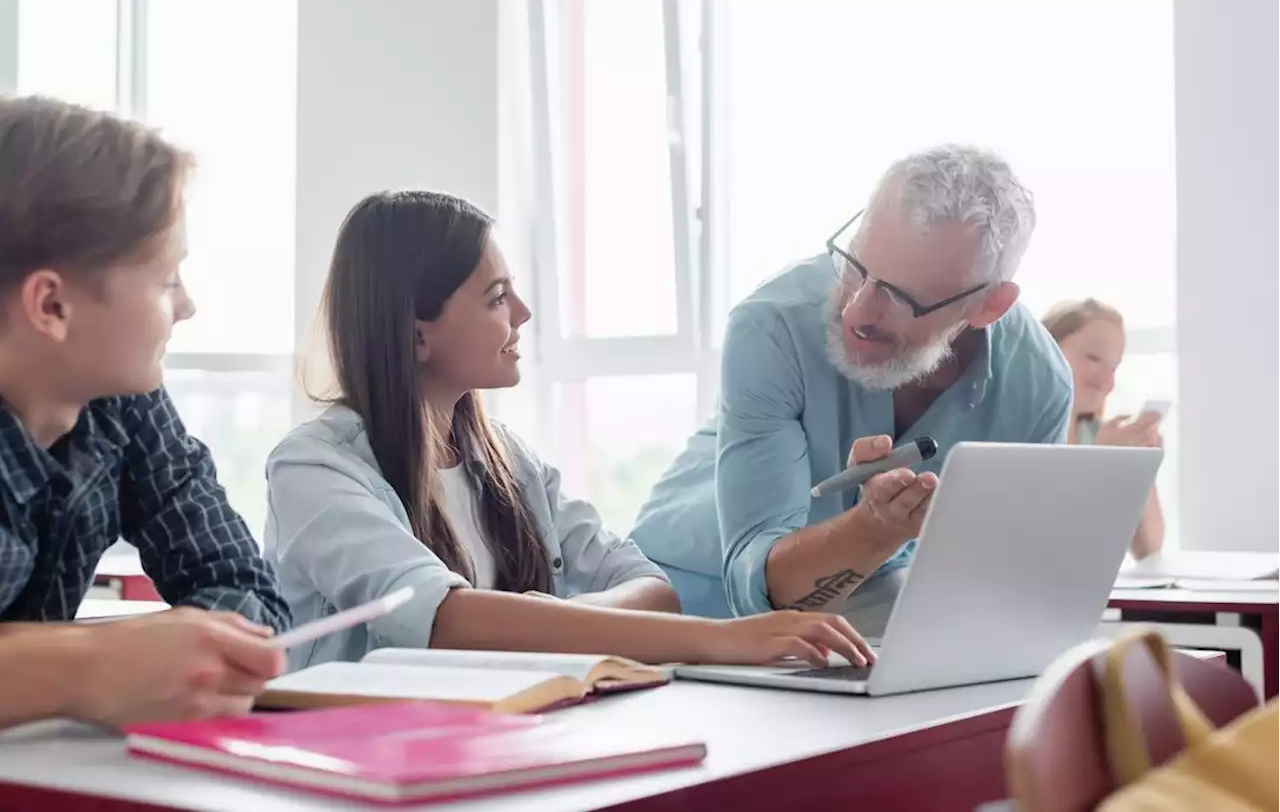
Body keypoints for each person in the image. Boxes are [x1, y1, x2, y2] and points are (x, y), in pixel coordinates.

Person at [263, 190, 875, 671]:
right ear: (417, 332)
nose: (523, 313)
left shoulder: (511, 463)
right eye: (497, 297)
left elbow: (651, 589)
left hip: (503, 745)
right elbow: (441, 618)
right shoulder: (314, 470)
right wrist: (721, 640)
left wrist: (547, 622)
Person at [629, 144, 1074, 631]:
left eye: (902, 297)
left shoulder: (1039, 385)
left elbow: (1003, 586)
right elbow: (756, 594)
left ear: (988, 306)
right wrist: (874, 529)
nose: (857, 311)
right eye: (855, 265)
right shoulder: (773, 326)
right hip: (683, 601)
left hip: (857, 620)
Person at [0, 95, 288, 727]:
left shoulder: (124, 402)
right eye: (166, 280)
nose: (186, 306)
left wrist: (195, 655)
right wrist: (85, 667)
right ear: (51, 307)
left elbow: (246, 585)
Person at [1042, 298, 1164, 559]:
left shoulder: (1097, 434)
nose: (1106, 381)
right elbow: (1044, 532)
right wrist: (1099, 458)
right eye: (1093, 358)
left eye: (1114, 367)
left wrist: (1141, 468)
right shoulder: (1024, 431)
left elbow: (1150, 549)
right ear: (1047, 347)